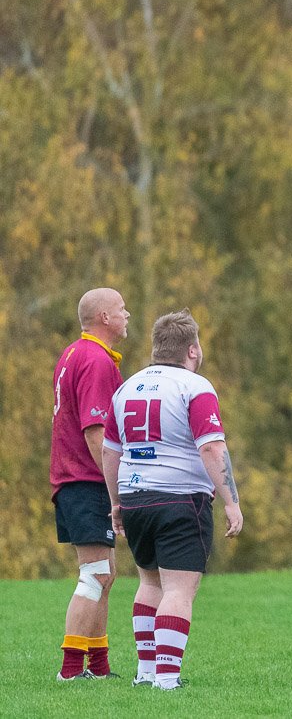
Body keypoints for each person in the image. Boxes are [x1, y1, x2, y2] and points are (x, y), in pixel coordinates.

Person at [101, 310, 244, 690]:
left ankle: (146, 672)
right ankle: (167, 679)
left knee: (149, 583)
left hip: (134, 496)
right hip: (180, 498)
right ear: (192, 350)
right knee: (179, 589)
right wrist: (231, 501)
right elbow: (211, 447)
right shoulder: (195, 387)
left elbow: (110, 452)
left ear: (156, 348)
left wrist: (116, 502)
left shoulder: (125, 388)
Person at [51, 287, 130, 681]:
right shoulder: (96, 360)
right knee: (95, 574)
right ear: (104, 318)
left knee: (106, 572)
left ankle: (98, 668)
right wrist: (119, 487)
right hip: (86, 479)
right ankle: (70, 671)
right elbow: (96, 433)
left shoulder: (71, 354)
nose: (127, 314)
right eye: (121, 309)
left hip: (74, 478)